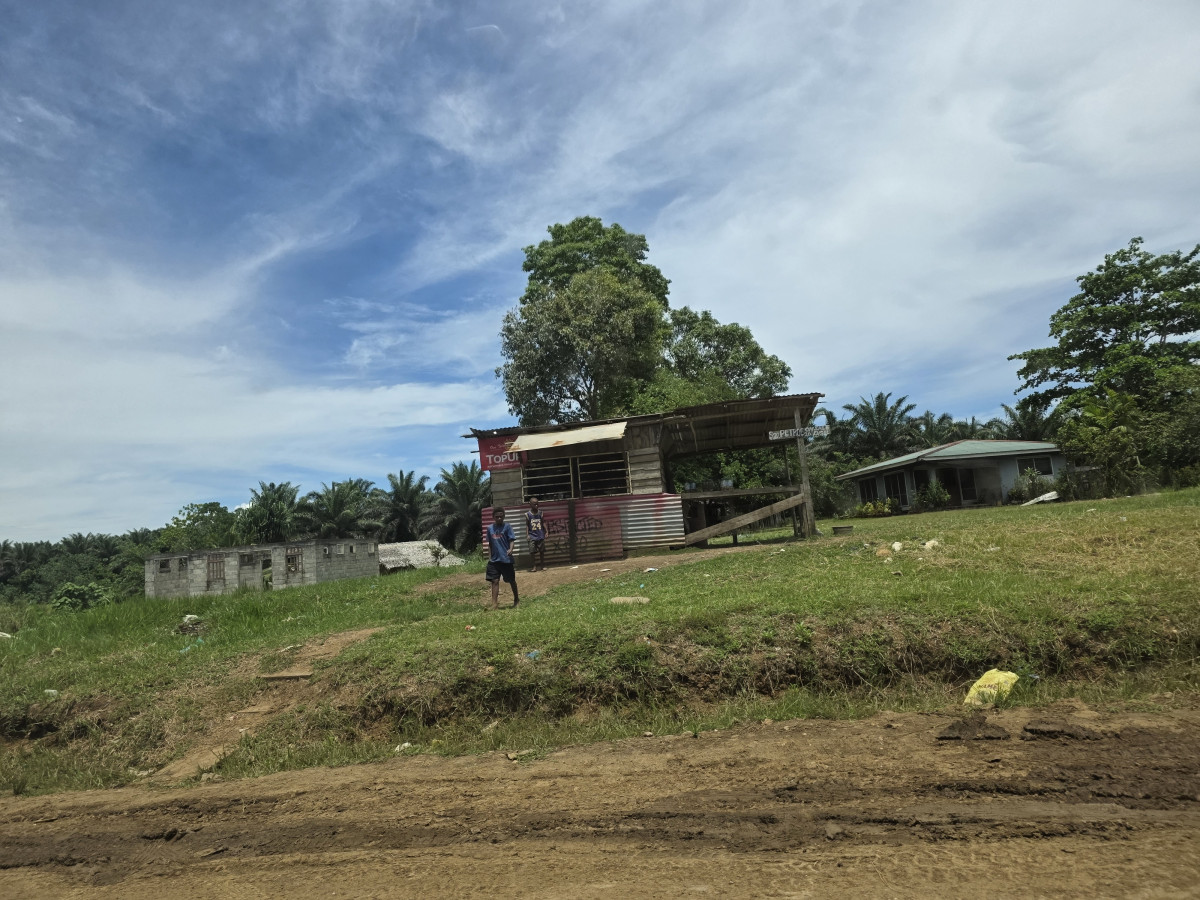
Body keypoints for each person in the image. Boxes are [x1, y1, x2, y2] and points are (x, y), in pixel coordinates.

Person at [485, 508, 519, 609]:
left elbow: (512, 540)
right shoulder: (489, 528)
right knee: (494, 581)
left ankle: (516, 600)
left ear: (504, 516)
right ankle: (494, 604)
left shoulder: (507, 527)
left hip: (506, 559)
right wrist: (489, 557)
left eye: (501, 516)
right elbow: (490, 544)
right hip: (494, 560)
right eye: (497, 516)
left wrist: (511, 549)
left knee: (511, 580)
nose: (499, 518)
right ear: (493, 517)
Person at [525, 497, 546, 572]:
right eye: (534, 504)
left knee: (542, 551)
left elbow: (543, 522)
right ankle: (534, 566)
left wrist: (546, 532)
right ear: (530, 504)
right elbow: (527, 525)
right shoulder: (528, 514)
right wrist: (527, 535)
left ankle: (542, 566)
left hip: (540, 535)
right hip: (532, 535)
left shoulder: (540, 513)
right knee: (532, 552)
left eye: (537, 504)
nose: (536, 506)